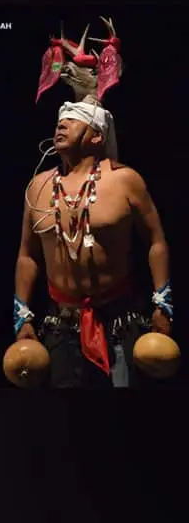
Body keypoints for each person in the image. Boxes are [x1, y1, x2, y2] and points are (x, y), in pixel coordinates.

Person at [13, 21, 172, 387]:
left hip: (121, 321)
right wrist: (22, 317)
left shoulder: (124, 180)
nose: (61, 126)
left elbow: (157, 241)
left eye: (73, 120)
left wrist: (163, 304)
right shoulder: (38, 187)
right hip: (59, 324)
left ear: (97, 134)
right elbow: (27, 256)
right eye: (60, 121)